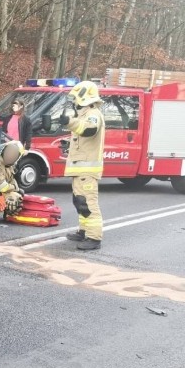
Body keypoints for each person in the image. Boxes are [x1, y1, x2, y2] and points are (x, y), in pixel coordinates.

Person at [60, 81, 105, 251]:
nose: (74, 101)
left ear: (84, 97)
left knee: (88, 203)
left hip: (87, 170)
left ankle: (94, 238)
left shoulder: (93, 114)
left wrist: (69, 122)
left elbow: (89, 130)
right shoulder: (84, 114)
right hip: (80, 169)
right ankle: (84, 231)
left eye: (75, 98)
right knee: (80, 201)